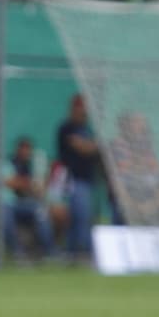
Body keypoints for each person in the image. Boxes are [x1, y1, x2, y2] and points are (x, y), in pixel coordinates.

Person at [56, 93, 99, 257]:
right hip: (72, 179)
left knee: (84, 216)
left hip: (87, 180)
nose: (84, 113)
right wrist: (95, 145)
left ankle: (74, 250)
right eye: (81, 108)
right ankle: (80, 250)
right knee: (79, 216)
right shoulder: (67, 128)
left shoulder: (87, 129)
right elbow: (84, 148)